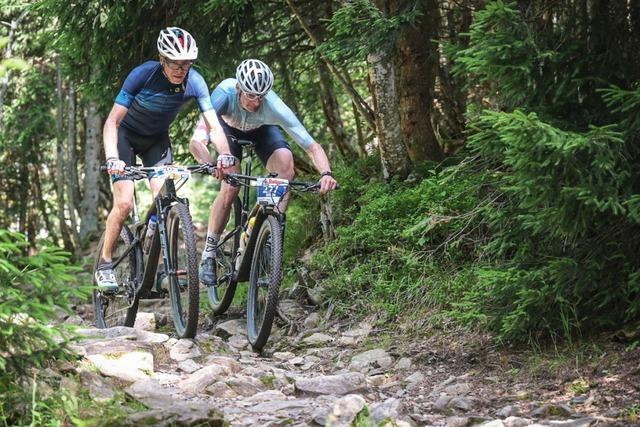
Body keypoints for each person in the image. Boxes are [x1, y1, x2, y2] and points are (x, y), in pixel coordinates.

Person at [95, 27, 227, 292]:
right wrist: (113, 158)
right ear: (162, 59)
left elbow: (214, 127)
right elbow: (112, 121)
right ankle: (105, 264)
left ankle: (163, 269)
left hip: (156, 141)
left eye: (187, 64)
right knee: (123, 203)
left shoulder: (196, 82)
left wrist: (223, 154)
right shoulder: (142, 75)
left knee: (166, 201)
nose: (181, 70)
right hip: (126, 139)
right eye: (175, 64)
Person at [189, 59, 338, 286]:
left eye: (261, 96)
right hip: (226, 130)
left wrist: (326, 172)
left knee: (286, 167)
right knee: (231, 185)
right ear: (239, 88)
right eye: (251, 95)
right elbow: (197, 141)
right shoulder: (225, 93)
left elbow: (312, 147)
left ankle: (269, 236)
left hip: (262, 131)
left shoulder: (273, 105)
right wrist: (210, 163)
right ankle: (209, 252)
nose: (257, 102)